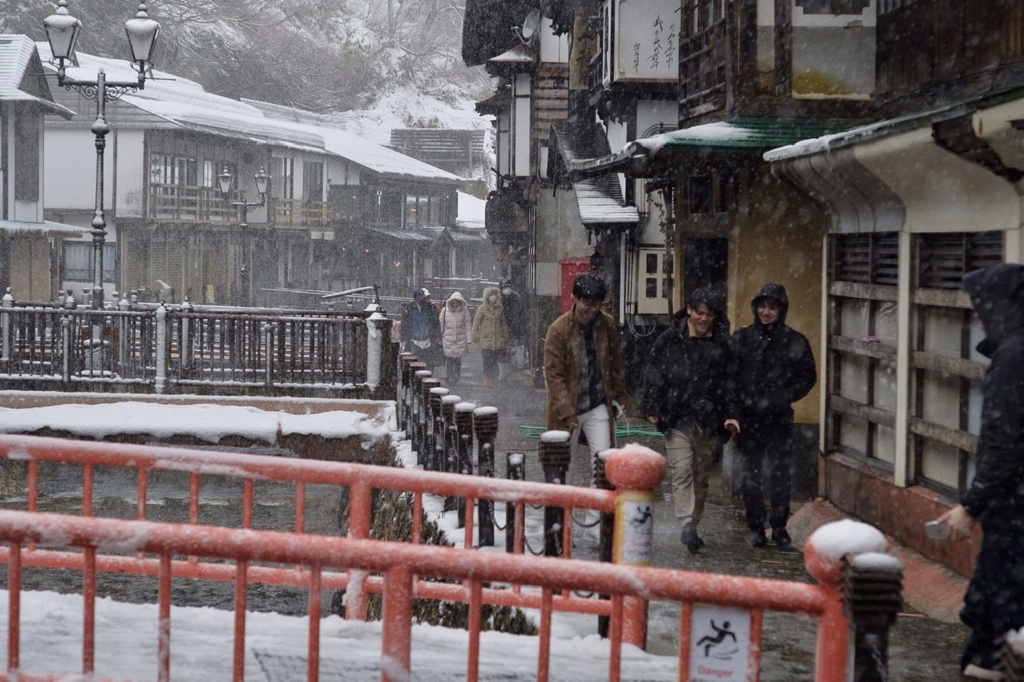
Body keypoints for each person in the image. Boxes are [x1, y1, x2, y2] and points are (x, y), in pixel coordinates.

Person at [933, 263, 1024, 682]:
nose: (976, 316)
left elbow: (1005, 443)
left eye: (981, 306)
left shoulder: (1013, 358)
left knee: (994, 629)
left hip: (1013, 522)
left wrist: (972, 504)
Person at [641, 287, 736, 554]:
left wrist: (732, 414)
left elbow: (731, 384)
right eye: (699, 312)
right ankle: (685, 522)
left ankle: (693, 522)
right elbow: (654, 373)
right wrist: (652, 405)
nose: (703, 319)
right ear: (690, 311)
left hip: (709, 419)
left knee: (701, 476)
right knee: (681, 471)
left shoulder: (723, 345)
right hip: (677, 416)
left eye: (709, 314)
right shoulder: (670, 340)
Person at [729, 283, 816, 549]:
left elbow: (808, 377)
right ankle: (756, 526)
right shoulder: (742, 339)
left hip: (779, 418)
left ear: (781, 310)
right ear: (756, 308)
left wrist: (784, 396)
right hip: (748, 419)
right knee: (750, 475)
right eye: (762, 306)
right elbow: (729, 378)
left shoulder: (795, 340)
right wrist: (734, 412)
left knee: (781, 475)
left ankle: (779, 527)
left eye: (772, 307)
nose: (766, 312)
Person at [544, 273, 628, 492]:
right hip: (567, 410)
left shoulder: (606, 324)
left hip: (597, 404)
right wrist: (567, 412)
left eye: (598, 305)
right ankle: (562, 519)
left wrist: (620, 396)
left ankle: (597, 519)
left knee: (604, 464)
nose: (593, 310)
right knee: (564, 469)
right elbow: (554, 376)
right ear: (576, 298)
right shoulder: (558, 329)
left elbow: (615, 362)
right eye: (588, 304)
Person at [471, 285, 509, 388]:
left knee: (495, 360)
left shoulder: (500, 308)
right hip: (486, 339)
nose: (493, 297)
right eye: (491, 295)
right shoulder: (482, 308)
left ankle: (494, 378)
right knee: (487, 360)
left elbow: (503, 323)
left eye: (494, 295)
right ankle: (487, 378)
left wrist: (505, 335)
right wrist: (474, 335)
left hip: (497, 339)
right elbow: (476, 322)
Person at [401, 287, 442, 370]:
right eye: (421, 298)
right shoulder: (409, 309)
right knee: (414, 363)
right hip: (414, 340)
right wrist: (405, 338)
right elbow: (405, 324)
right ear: (416, 299)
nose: (424, 300)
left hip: (428, 339)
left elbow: (435, 323)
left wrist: (436, 337)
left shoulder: (430, 308)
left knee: (429, 363)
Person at [439, 291, 472, 388]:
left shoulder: (464, 310)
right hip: (447, 338)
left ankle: (456, 374)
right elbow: (441, 324)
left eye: (457, 302)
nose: (455, 303)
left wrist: (468, 338)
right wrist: (439, 337)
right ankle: (450, 377)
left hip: (460, 338)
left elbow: (467, 324)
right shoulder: (445, 310)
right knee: (449, 359)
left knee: (457, 359)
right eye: (454, 302)